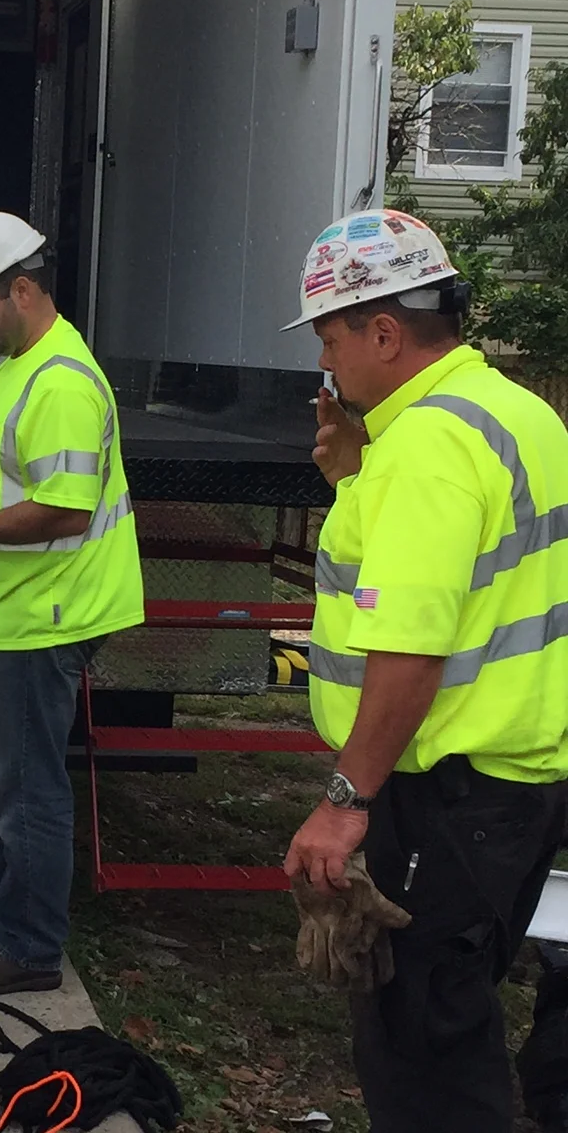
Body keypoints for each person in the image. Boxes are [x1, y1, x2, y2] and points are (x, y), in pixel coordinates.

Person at [280, 208, 568, 1133]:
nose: (328, 365)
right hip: (519, 778)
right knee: (456, 1003)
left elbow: (410, 648)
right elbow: (475, 576)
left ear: (385, 331)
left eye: (331, 339)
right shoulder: (513, 412)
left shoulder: (426, 453)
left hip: (447, 791)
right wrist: (354, 479)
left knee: (425, 1043)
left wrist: (343, 798)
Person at [0, 211, 144, 996]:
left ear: (21, 289)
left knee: (25, 787)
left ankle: (26, 947)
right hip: (15, 607)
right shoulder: (26, 360)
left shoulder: (59, 382)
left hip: (46, 613)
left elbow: (65, 509)